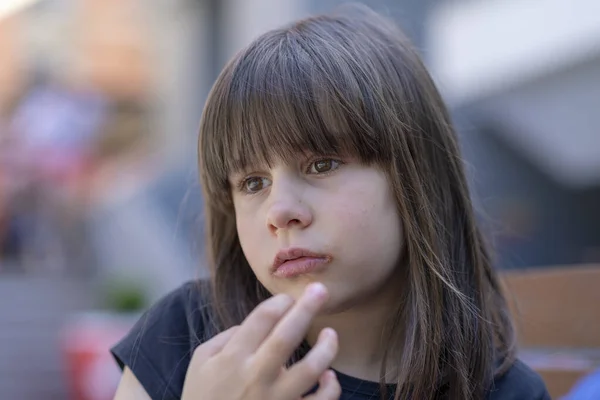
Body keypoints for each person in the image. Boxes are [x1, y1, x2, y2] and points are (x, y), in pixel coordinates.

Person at [111, 5, 550, 400]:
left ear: (416, 179)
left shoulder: (508, 393)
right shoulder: (186, 335)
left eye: (322, 165)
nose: (279, 212)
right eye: (252, 182)